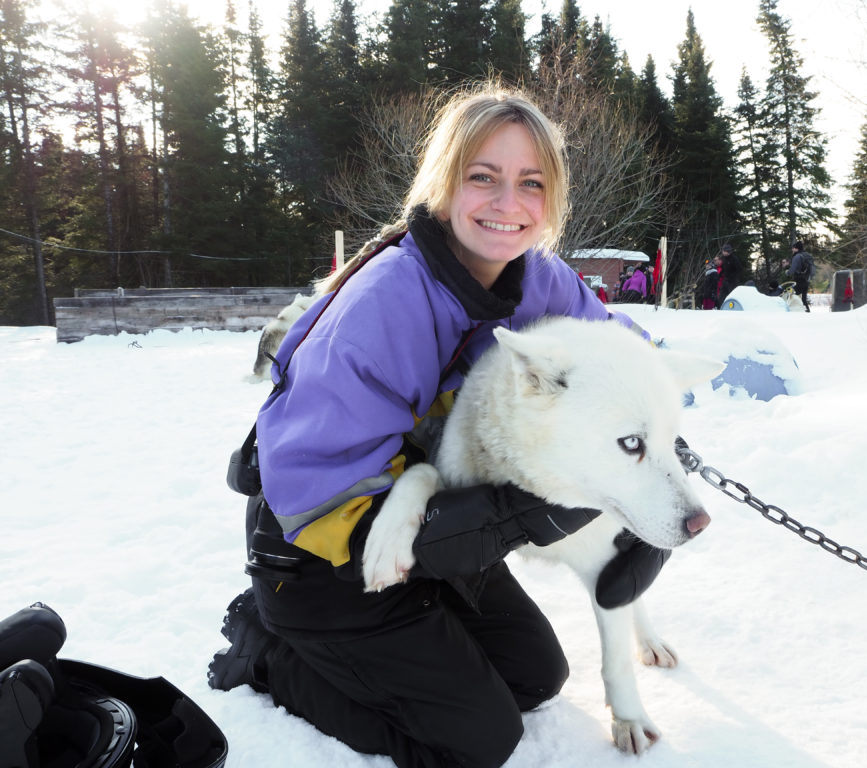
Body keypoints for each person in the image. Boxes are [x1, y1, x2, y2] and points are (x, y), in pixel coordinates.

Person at [208, 83, 669, 768]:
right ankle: (267, 651)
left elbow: (613, 357)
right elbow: (317, 483)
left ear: (552, 199)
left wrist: (656, 445)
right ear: (443, 184)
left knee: (535, 679)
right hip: (318, 552)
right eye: (482, 178)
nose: (508, 204)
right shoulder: (385, 302)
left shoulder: (539, 279)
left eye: (530, 183)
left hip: (430, 522)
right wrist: (511, 516)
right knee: (478, 738)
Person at [783, 240, 813, 312]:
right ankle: (807, 313)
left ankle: (792, 311)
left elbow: (793, 269)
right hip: (806, 280)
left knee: (792, 296)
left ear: (797, 248)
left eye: (793, 248)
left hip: (799, 280)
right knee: (803, 299)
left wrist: (787, 272)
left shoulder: (797, 256)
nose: (792, 249)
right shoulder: (807, 255)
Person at [716, 243, 741, 308]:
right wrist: (719, 275)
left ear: (728, 251)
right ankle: (720, 307)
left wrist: (733, 276)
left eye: (725, 251)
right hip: (725, 279)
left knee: (732, 295)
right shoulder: (723, 258)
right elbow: (723, 268)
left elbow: (739, 269)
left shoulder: (734, 258)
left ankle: (734, 307)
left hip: (732, 281)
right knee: (721, 295)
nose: (723, 253)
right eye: (723, 251)